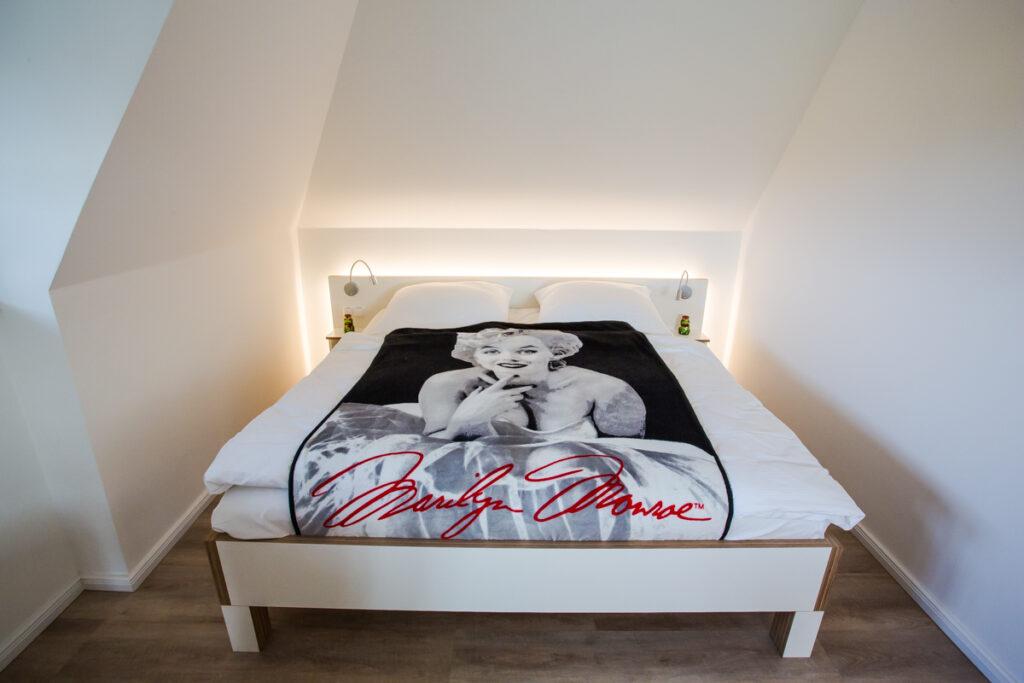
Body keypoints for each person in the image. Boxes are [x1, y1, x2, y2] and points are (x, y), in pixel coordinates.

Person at [419, 328, 646, 440]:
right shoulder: (447, 384)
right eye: (491, 351)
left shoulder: (605, 388)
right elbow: (428, 453)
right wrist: (462, 423)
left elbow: (631, 454)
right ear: (475, 356)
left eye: (527, 351)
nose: (508, 359)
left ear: (555, 352)